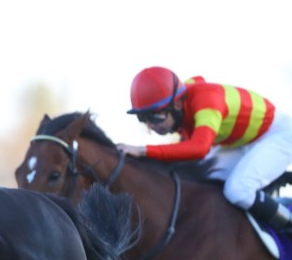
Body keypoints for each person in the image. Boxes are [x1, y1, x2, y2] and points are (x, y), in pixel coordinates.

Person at [119, 66, 292, 230]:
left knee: (238, 191)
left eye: (155, 116)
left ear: (177, 105)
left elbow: (199, 149)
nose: (151, 126)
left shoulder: (206, 100)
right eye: (143, 118)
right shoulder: (181, 102)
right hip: (242, 142)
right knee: (203, 176)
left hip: (278, 135)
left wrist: (143, 150)